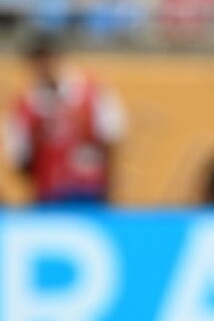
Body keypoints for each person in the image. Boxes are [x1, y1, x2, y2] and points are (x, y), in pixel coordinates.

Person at [5, 31, 125, 204]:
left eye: (47, 57)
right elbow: (20, 158)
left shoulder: (92, 92)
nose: (43, 65)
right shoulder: (26, 105)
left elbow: (112, 139)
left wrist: (111, 188)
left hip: (91, 191)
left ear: (59, 56)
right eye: (38, 59)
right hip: (49, 195)